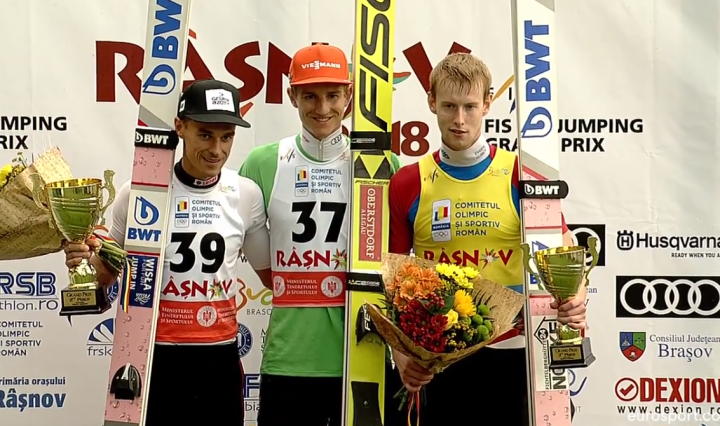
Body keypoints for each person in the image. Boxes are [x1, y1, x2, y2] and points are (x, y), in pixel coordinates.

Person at [384, 53, 588, 426]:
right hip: (441, 359)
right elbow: (393, 281)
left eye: (470, 106)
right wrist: (403, 358)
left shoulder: (520, 172)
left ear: (488, 104)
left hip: (516, 353)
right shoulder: (408, 182)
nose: (459, 120)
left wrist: (575, 297)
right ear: (431, 102)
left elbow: (563, 248)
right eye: (449, 106)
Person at [63, 79, 272, 426]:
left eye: (226, 137)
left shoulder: (246, 194)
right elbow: (103, 277)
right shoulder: (138, 192)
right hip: (151, 355)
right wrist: (83, 262)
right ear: (180, 127)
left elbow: (272, 278)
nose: (216, 149)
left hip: (217, 358)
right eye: (205, 134)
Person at [239, 42, 401, 426]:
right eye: (310, 95)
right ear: (291, 95)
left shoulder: (382, 162)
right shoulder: (263, 162)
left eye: (333, 95)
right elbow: (261, 262)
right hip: (290, 359)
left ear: (349, 96)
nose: (323, 108)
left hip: (365, 355)